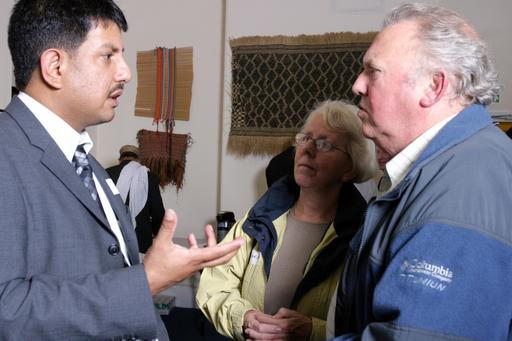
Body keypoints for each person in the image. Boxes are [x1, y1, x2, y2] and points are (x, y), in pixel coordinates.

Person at [0, 0, 243, 339]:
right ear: (55, 66)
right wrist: (149, 280)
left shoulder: (84, 160)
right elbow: (6, 313)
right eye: (108, 55)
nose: (125, 72)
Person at [332, 3, 512, 340]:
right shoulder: (451, 166)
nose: (357, 85)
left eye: (373, 71)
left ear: (433, 87)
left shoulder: (463, 187)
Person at [196, 100, 379, 341]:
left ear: (349, 167)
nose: (307, 150)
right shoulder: (259, 220)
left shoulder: (363, 239)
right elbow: (214, 287)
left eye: (324, 144)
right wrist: (245, 318)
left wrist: (313, 332)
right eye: (304, 138)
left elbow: (372, 328)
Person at [106, 144, 165, 254]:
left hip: (112, 237)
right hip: (141, 238)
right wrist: (158, 233)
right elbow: (157, 212)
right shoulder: (149, 177)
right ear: (138, 160)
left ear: (120, 160)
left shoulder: (106, 173)